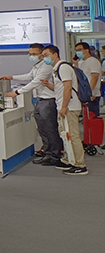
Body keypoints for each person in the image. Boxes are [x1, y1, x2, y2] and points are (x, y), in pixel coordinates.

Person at [1, 43, 60, 165]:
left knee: (50, 130)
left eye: (34, 54)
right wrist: (11, 77)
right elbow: (29, 76)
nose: (31, 56)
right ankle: (47, 153)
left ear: (41, 54)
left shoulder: (46, 66)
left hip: (48, 101)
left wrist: (16, 92)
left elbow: (35, 82)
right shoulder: (37, 66)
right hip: (40, 100)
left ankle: (55, 155)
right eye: (30, 54)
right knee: (43, 129)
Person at [42, 45, 88, 176]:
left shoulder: (63, 67)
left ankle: (80, 165)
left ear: (55, 54)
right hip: (63, 106)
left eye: (46, 55)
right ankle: (69, 159)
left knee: (72, 136)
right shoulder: (56, 69)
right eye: (43, 56)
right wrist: (49, 85)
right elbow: (60, 88)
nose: (45, 58)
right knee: (65, 135)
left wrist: (64, 107)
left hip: (69, 107)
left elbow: (68, 88)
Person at [75, 42, 101, 117]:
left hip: (92, 95)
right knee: (86, 118)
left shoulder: (93, 61)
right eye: (76, 50)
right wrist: (75, 63)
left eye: (80, 50)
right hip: (84, 95)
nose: (78, 52)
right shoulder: (82, 62)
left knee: (92, 118)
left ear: (87, 50)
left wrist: (89, 93)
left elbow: (94, 78)